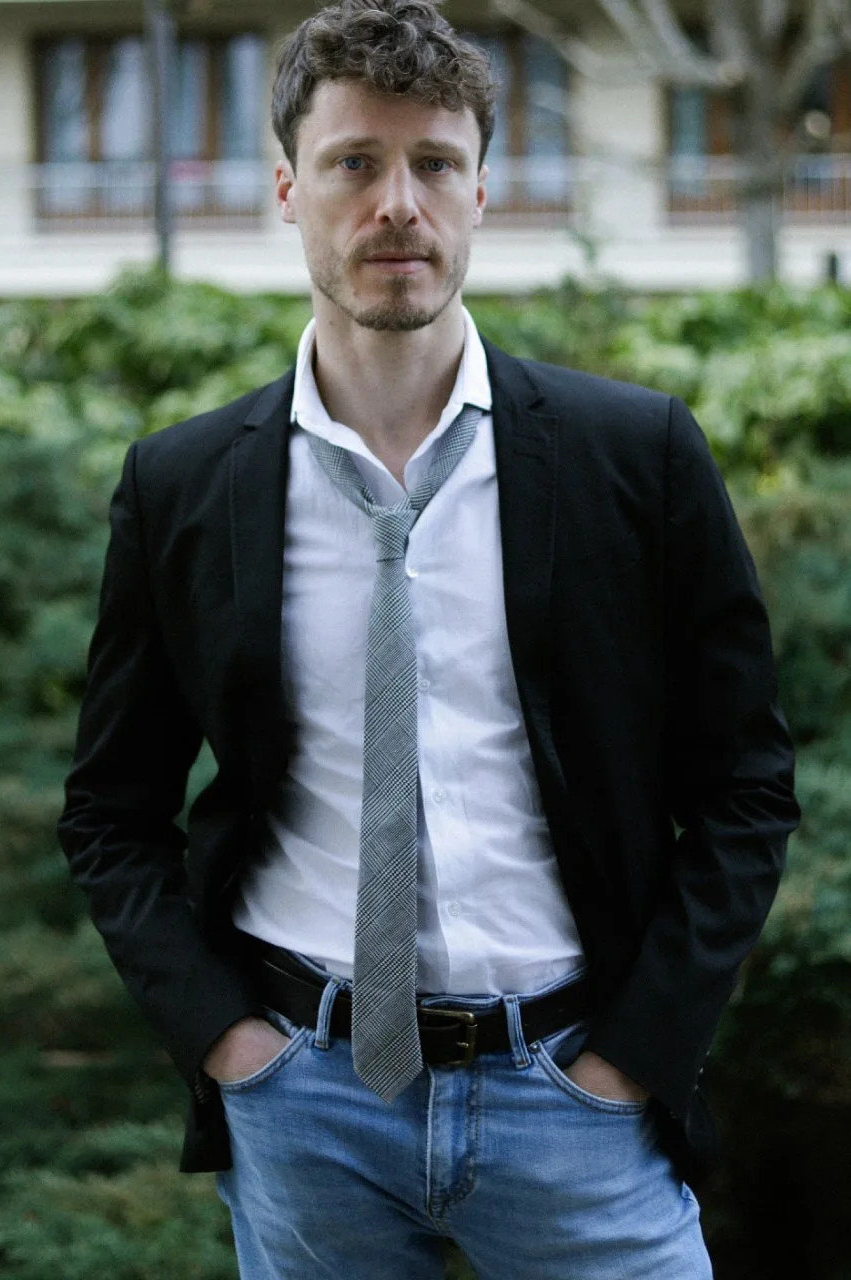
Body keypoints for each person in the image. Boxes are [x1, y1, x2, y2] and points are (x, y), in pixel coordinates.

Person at [58, 1, 801, 1275]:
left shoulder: (635, 456)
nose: (397, 204)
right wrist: (230, 1044)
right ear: (287, 190)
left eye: (434, 164)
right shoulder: (184, 484)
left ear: (480, 190)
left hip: (575, 1095)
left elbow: (745, 786)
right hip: (304, 1102)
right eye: (354, 162)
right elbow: (110, 811)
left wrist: (635, 1054)